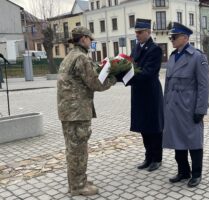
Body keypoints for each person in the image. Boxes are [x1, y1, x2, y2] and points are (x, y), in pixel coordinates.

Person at [57, 26, 116, 196]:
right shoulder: (81, 58)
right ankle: (78, 186)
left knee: (72, 149)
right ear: (83, 38)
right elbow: (95, 83)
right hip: (77, 112)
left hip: (68, 111)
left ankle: (76, 181)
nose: (91, 42)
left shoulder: (69, 56)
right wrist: (113, 78)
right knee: (78, 150)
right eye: (90, 39)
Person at [163, 22, 209, 187]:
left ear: (185, 37)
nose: (172, 40)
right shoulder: (172, 56)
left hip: (189, 107)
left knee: (194, 141)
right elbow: (167, 84)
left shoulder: (197, 57)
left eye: (174, 37)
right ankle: (183, 171)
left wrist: (201, 109)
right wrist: (165, 105)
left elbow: (204, 86)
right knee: (177, 140)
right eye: (171, 37)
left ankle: (196, 174)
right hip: (173, 107)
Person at [125, 18, 164, 172]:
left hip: (151, 93)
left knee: (154, 128)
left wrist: (130, 76)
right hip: (138, 92)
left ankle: (157, 158)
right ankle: (148, 157)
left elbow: (148, 72)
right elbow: (129, 65)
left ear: (149, 32)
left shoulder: (155, 49)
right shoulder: (135, 48)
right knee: (143, 127)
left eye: (140, 32)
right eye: (136, 32)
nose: (137, 35)